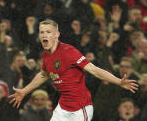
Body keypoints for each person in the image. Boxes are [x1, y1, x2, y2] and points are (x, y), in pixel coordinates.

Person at [8, 19, 138, 121]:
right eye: (42, 32)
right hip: (63, 106)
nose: (44, 35)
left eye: (48, 32)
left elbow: (94, 70)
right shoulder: (47, 55)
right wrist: (25, 90)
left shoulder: (69, 52)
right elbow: (43, 74)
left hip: (80, 108)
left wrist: (118, 81)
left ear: (57, 35)